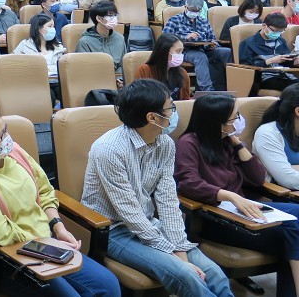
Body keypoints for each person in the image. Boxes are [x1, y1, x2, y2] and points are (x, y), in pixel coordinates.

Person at [81, 79, 234, 297]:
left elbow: (168, 200)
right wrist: (175, 257)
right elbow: (130, 213)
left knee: (215, 274)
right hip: (113, 231)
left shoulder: (165, 144)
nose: (174, 112)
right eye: (170, 107)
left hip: (149, 224)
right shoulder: (109, 150)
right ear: (152, 117)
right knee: (186, 276)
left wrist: (180, 249)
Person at [0, 104, 122, 297]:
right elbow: (2, 234)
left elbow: (45, 190)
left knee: (109, 284)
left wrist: (58, 227)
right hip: (14, 257)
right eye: (0, 136)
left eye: (5, 130)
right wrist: (49, 246)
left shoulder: (14, 152)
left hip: (48, 244)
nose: (7, 138)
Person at [176, 93, 299, 297]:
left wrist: (238, 144)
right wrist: (230, 196)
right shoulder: (188, 143)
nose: (238, 121)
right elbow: (188, 183)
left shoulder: (226, 142)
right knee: (294, 235)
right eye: (234, 118)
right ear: (216, 122)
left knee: (296, 220)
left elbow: (257, 179)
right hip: (215, 218)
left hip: (244, 210)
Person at [163, 0, 232, 91]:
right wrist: (185, 37)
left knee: (226, 52)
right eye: (192, 10)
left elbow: (212, 39)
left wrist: (213, 45)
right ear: (185, 7)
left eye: (197, 11)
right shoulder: (174, 20)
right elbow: (164, 39)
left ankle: (229, 85)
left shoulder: (204, 21)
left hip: (205, 49)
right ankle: (207, 90)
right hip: (184, 51)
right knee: (200, 57)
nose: (194, 13)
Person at [13, 14, 65, 107]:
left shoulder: (58, 47)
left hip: (56, 82)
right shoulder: (24, 46)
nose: (53, 29)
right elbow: (13, 64)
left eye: (53, 26)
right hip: (35, 83)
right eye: (49, 26)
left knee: (66, 92)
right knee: (49, 96)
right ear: (39, 29)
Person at [253, 84, 299, 190]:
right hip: (283, 194)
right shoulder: (267, 133)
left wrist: (292, 168)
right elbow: (289, 179)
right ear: (298, 111)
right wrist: (291, 171)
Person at [239, 12, 299, 91]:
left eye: (280, 32)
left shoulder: (281, 41)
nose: (277, 34)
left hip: (284, 74)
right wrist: (269, 61)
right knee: (294, 88)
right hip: (263, 77)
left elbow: (285, 62)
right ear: (264, 25)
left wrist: (294, 61)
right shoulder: (249, 43)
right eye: (275, 31)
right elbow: (245, 68)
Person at [135, 33, 191, 101]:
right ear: (164, 51)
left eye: (182, 51)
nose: (181, 55)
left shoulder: (183, 74)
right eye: (178, 51)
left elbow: (185, 101)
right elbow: (139, 99)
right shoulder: (145, 70)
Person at [76, 0, 126, 74]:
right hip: (94, 78)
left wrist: (119, 78)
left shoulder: (120, 39)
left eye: (115, 15)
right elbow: (83, 68)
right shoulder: (84, 42)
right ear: (99, 18)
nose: (114, 18)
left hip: (116, 78)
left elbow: (123, 65)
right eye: (110, 16)